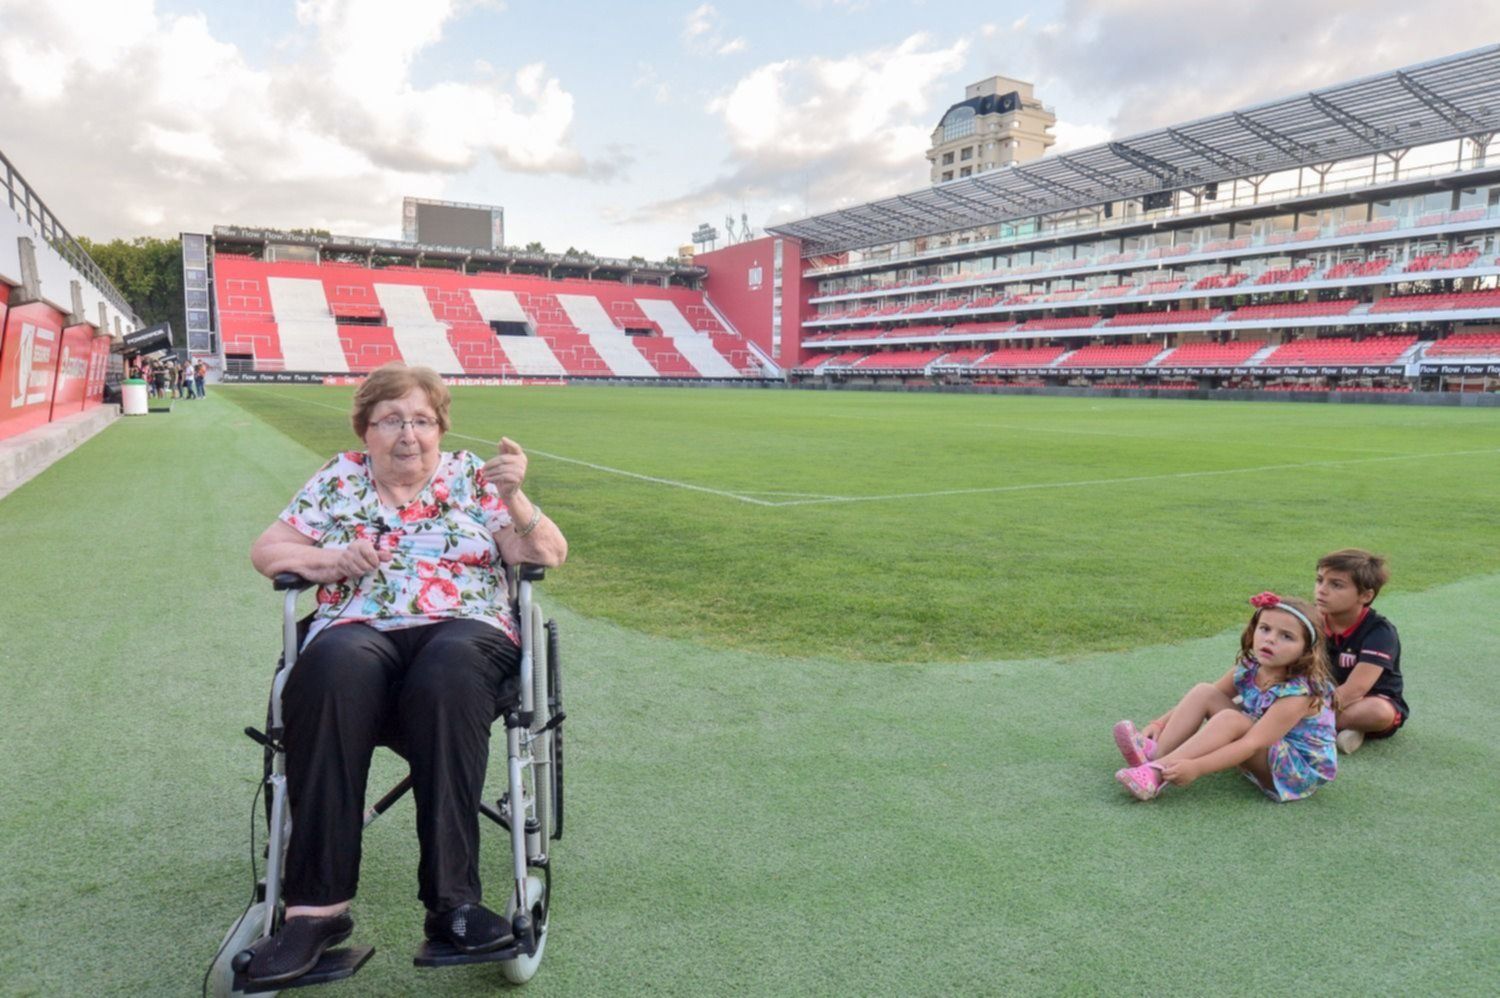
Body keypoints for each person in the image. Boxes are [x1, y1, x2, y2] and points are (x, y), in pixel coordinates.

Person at [246, 362, 567, 985]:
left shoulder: (473, 477)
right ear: (366, 427)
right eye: (392, 419)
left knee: (446, 673)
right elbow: (268, 551)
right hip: (359, 626)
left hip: (464, 628)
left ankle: (454, 906)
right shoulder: (339, 478)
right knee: (330, 666)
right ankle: (315, 912)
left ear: (440, 428)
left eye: (422, 420)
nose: (408, 434)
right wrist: (333, 558)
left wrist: (514, 498)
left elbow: (546, 554)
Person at [1111, 592, 1337, 802]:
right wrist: (1159, 723)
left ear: (1307, 650)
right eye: (1265, 629)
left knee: (1232, 718)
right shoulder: (1251, 666)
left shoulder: (1299, 694)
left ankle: (1157, 774)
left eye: (1287, 636)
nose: (1270, 640)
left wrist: (1196, 767)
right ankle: (1156, 754)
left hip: (1293, 772)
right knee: (1204, 691)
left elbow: (1252, 743)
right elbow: (1210, 694)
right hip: (1263, 746)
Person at [1316, 549, 1405, 754]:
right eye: (1320, 580)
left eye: (1336, 585)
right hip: (1324, 694)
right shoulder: (1313, 619)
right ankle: (1343, 729)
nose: (1322, 590)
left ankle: (1306, 724)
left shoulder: (1380, 632)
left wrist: (1297, 713)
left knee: (1378, 712)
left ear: (1366, 595)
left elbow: (1355, 690)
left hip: (1365, 699)